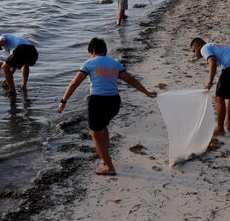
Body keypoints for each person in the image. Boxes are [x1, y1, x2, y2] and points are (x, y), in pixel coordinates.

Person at [57, 37, 156, 176]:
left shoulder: (89, 63)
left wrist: (63, 101)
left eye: (89, 53)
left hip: (98, 102)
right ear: (105, 51)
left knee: (95, 134)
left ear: (92, 51)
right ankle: (105, 159)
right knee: (102, 127)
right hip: (114, 102)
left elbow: (74, 83)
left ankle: (109, 167)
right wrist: (146, 92)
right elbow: (131, 80)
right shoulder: (115, 63)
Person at [189, 38, 230, 136]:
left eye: (194, 50)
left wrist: (209, 83)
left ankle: (220, 129)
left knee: (219, 98)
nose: (194, 53)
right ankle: (228, 123)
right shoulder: (213, 45)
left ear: (198, 47)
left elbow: (212, 62)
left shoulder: (204, 48)